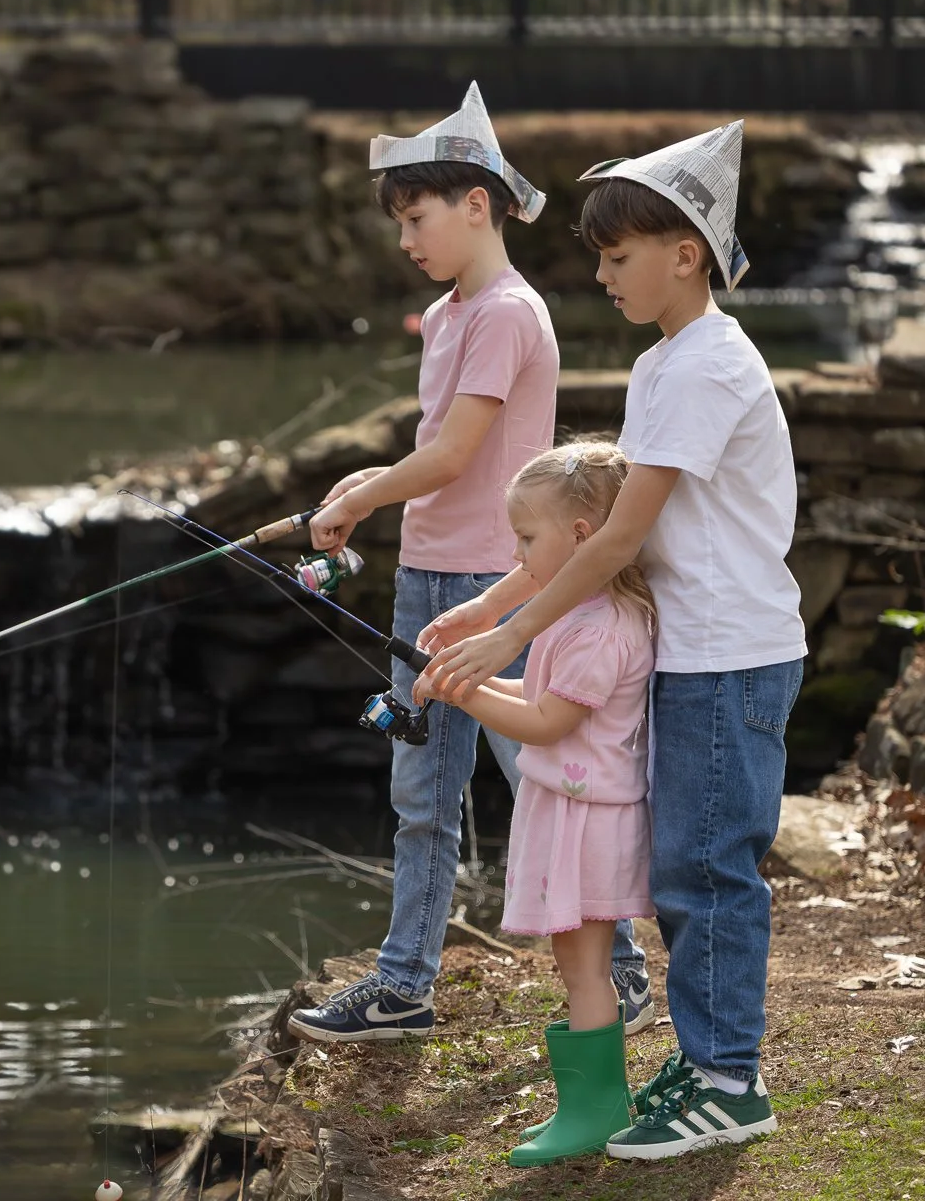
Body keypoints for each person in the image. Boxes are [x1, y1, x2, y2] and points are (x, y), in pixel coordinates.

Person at [420, 120, 806, 1159]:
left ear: (688, 255)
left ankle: (731, 1081)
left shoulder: (706, 368)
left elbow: (622, 538)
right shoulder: (665, 364)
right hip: (696, 651)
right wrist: (490, 609)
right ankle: (711, 1056)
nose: (600, 274)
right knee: (684, 866)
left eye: (617, 255)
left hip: (731, 655)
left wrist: (514, 638)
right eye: (596, 256)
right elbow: (589, 523)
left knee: (708, 869)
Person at [285, 82, 655, 1044]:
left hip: (496, 582)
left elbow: (452, 461)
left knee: (541, 773)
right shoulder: (449, 316)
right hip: (425, 577)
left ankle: (620, 968)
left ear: (477, 204)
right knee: (421, 797)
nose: (406, 239)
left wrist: (366, 494)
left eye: (417, 217)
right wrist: (366, 483)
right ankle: (405, 982)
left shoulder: (507, 313)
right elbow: (436, 449)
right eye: (400, 222)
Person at [415, 440, 656, 1165]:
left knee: (585, 969)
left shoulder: (602, 628)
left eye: (527, 540)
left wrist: (467, 696)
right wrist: (468, 680)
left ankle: (595, 1110)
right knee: (574, 963)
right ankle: (590, 1101)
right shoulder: (579, 615)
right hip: (570, 813)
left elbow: (551, 723)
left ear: (582, 538)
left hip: (588, 822)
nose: (517, 559)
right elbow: (539, 696)